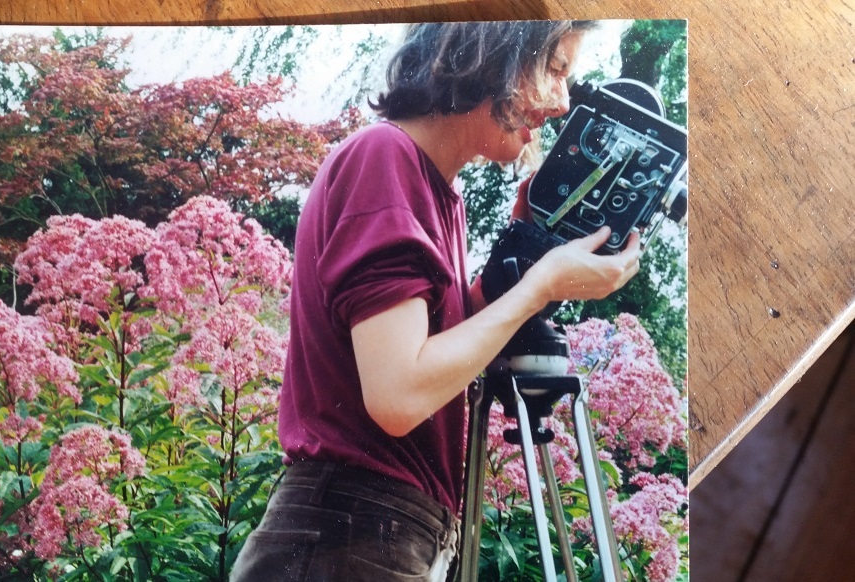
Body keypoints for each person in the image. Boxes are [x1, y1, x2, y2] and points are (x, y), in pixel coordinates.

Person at [231, 20, 641, 582]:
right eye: (555, 69)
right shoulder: (384, 158)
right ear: (493, 53)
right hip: (349, 532)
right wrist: (537, 287)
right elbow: (399, 392)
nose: (562, 101)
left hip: (369, 534)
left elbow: (435, 351)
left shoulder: (435, 190)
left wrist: (520, 255)